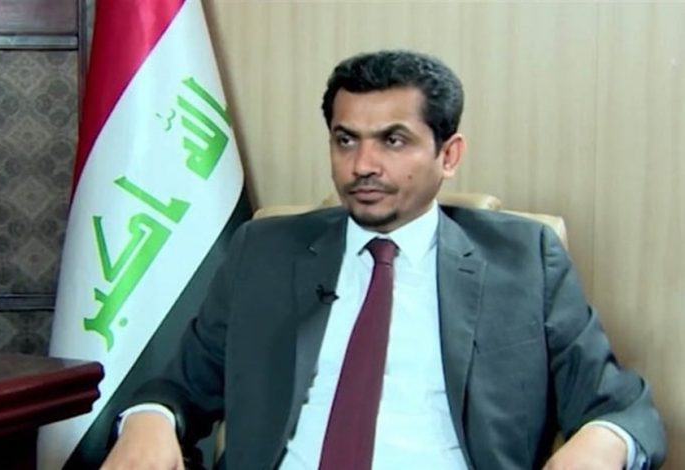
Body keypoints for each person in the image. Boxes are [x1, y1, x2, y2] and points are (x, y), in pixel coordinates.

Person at [101, 50, 666, 469]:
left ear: (449, 155)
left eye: (393, 141)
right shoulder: (265, 252)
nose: (362, 165)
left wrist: (599, 446)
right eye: (345, 140)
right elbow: (177, 388)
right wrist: (150, 420)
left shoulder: (523, 260)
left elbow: (621, 408)